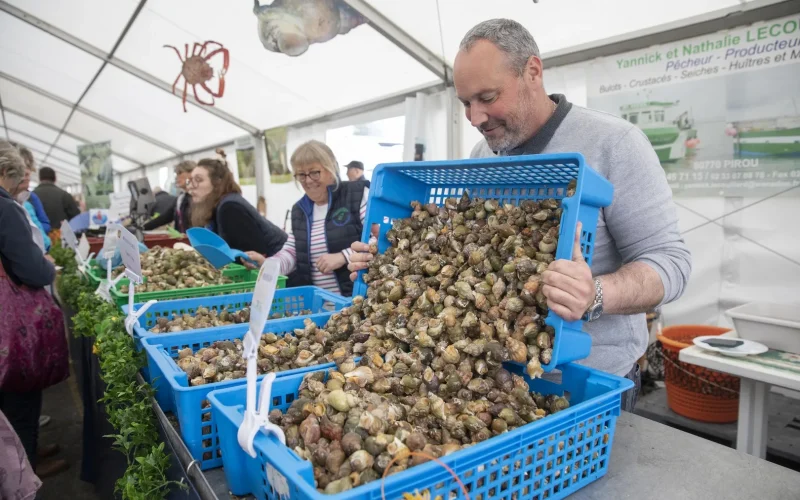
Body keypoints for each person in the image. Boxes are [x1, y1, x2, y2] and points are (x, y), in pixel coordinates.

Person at [347, 19, 692, 411]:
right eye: (465, 103)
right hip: (492, 380)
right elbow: (461, 258)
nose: (475, 118)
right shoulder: (481, 157)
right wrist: (387, 261)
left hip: (589, 385)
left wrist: (594, 294)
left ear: (533, 71)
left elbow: (672, 262)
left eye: (488, 97)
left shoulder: (614, 143)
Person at [0, 141, 69, 478]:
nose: (20, 184)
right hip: (10, 325)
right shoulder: (5, 208)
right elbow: (30, 269)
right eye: (16, 177)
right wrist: (46, 266)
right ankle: (25, 475)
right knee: (20, 401)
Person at [247, 141, 370, 296]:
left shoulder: (357, 194)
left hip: (357, 302)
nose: (308, 180)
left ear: (331, 168)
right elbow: (292, 251)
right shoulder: (300, 209)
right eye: (301, 175)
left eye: (314, 172)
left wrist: (343, 256)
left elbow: (377, 240)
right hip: (319, 306)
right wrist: (267, 265)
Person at [189, 149, 287, 259]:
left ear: (217, 183)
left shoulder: (230, 208)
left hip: (282, 269)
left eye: (198, 180)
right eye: (191, 180)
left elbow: (252, 257)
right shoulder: (221, 205)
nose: (191, 186)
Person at [143, 160, 195, 232]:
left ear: (192, 173)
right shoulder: (181, 198)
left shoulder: (198, 197)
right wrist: (142, 228)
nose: (177, 177)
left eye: (180, 173)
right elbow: (164, 218)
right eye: (176, 174)